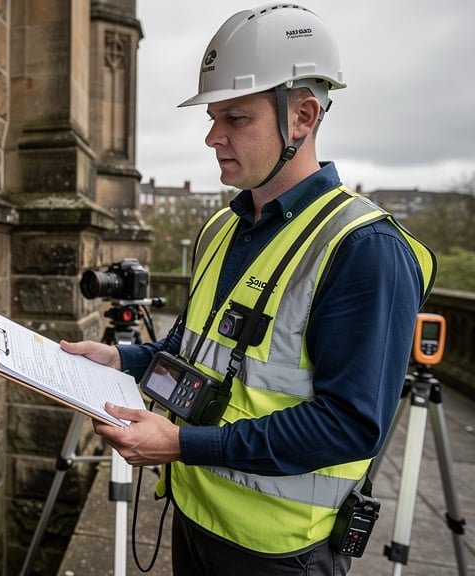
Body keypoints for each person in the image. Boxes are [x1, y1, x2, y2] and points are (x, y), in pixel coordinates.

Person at [61, 5, 436, 575]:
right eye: (213, 118)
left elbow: (351, 425)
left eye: (235, 118)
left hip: (279, 554)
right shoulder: (221, 228)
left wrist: (184, 446)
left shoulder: (363, 248)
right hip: (193, 516)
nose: (213, 137)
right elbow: (193, 353)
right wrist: (119, 357)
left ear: (303, 116)